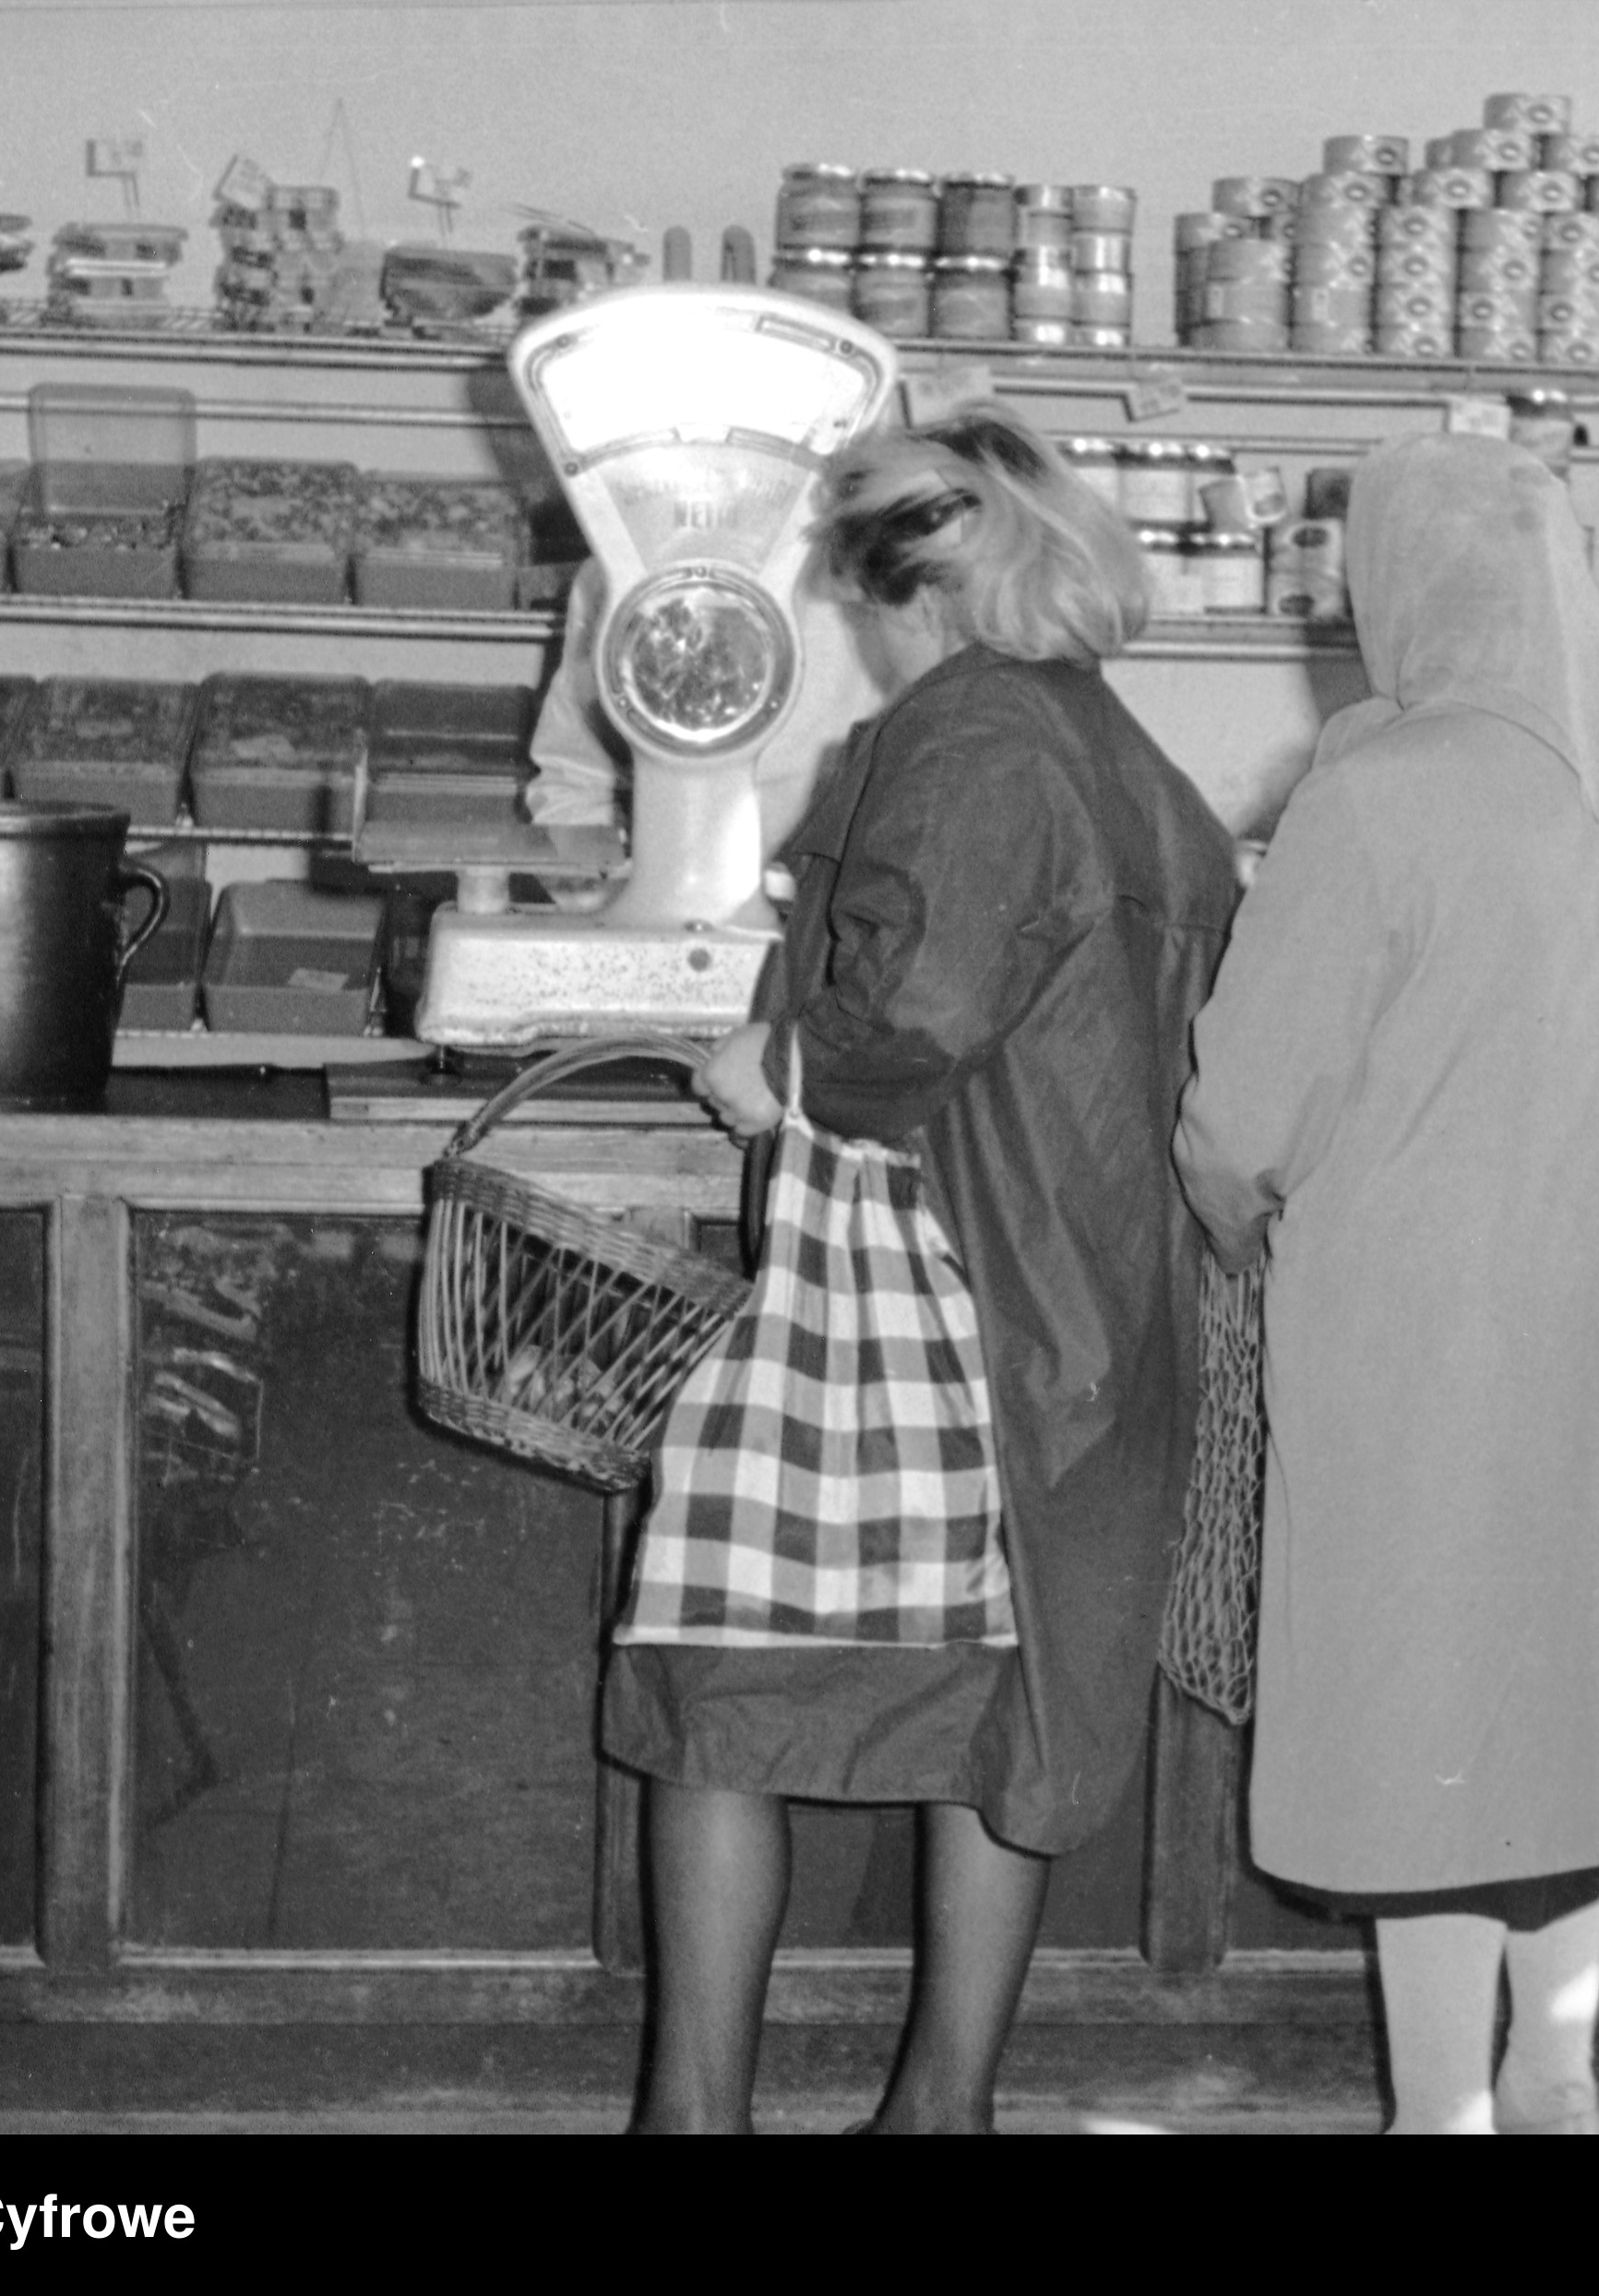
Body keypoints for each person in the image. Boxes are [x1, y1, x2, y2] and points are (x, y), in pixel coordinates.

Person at [604, 404, 1240, 2134]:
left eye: (856, 600)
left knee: (716, 1677)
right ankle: (938, 2112)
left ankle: (692, 2119)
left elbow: (920, 1010)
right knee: (996, 1699)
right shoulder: (1115, 743)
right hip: (1069, 1293)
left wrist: (777, 1061)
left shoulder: (967, 731)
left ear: (914, 593)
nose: (856, 636)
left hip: (914, 1273)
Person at [1171, 433, 1599, 2135]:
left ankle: (1442, 2109)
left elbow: (1242, 1114)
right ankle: (1555, 2078)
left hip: (1413, 1347)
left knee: (1421, 1720)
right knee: (1564, 1712)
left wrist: (1233, 1221)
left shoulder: (1375, 792)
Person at [526, 556, 889, 871]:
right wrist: (610, 901)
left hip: (825, 912)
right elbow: (574, 790)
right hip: (655, 908)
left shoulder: (861, 579)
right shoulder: (613, 571)